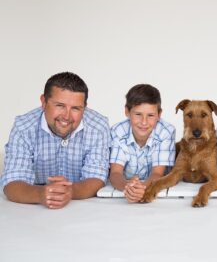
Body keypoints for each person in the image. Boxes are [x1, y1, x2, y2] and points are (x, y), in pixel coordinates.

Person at [0, 72, 111, 209]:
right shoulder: (23, 127)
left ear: (84, 107)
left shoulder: (99, 126)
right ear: (44, 102)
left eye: (76, 108)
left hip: (81, 211)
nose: (66, 116)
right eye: (59, 105)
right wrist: (41, 194)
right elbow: (12, 183)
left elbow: (97, 178)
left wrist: (71, 191)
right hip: (34, 213)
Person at [109, 84, 176, 203]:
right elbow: (115, 173)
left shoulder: (166, 132)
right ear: (127, 112)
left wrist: (143, 189)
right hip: (126, 185)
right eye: (138, 114)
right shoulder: (117, 131)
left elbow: (157, 173)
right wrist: (128, 187)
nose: (144, 122)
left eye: (150, 115)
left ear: (159, 115)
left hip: (157, 191)